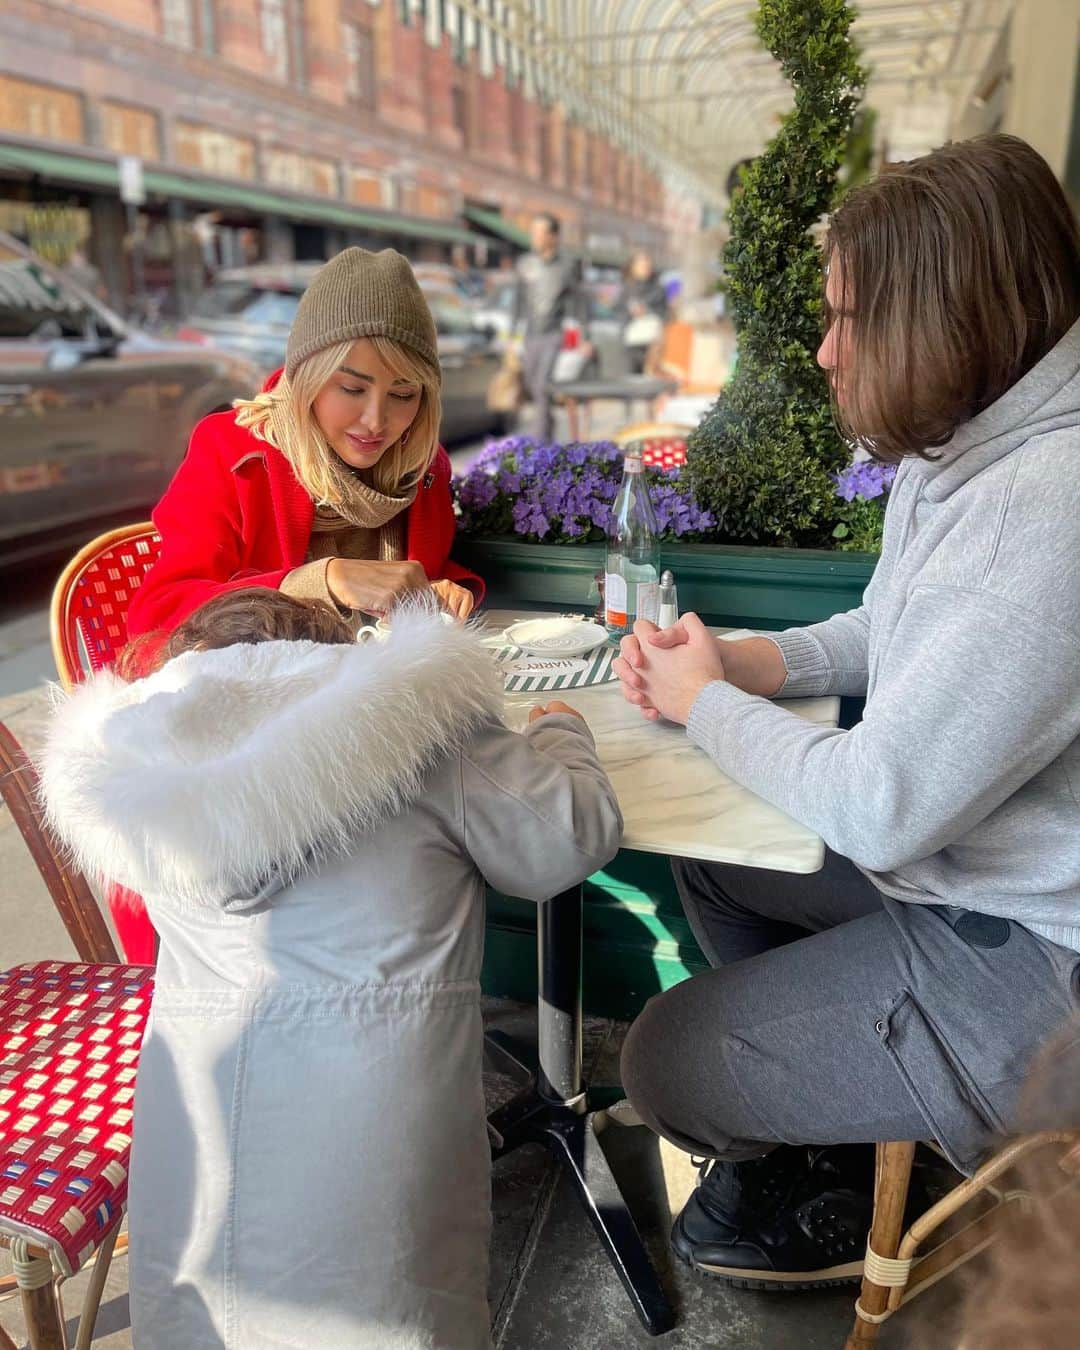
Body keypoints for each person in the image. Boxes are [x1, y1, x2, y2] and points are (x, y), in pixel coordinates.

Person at [612, 134, 1080, 1291]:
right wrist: (755, 662)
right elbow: (892, 621)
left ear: (945, 315)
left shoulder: (1047, 509)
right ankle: (850, 1131)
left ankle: (892, 1142)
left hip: (1043, 972)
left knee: (659, 1063)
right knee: (721, 866)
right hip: (976, 879)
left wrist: (706, 703)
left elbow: (880, 806)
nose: (825, 352)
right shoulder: (974, 433)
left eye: (848, 318)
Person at [40, 587, 623, 1350]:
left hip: (202, 1115)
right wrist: (565, 735)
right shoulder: (417, 725)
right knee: (394, 1305)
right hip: (380, 1111)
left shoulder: (133, 764)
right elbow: (568, 839)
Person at [511, 213, 592, 442]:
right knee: (532, 386)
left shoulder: (567, 266)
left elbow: (581, 303)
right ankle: (547, 427)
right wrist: (511, 338)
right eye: (533, 231)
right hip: (530, 336)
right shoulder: (524, 264)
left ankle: (540, 444)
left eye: (540, 232)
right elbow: (517, 303)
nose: (535, 237)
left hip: (554, 335)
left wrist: (585, 337)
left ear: (553, 236)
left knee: (543, 386)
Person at [616, 250, 669, 374]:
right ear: (633, 267)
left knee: (651, 379)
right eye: (642, 266)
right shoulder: (626, 289)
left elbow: (665, 314)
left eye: (647, 265)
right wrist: (631, 313)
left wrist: (647, 311)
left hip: (653, 343)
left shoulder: (658, 289)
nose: (645, 268)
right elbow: (619, 312)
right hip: (631, 342)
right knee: (631, 380)